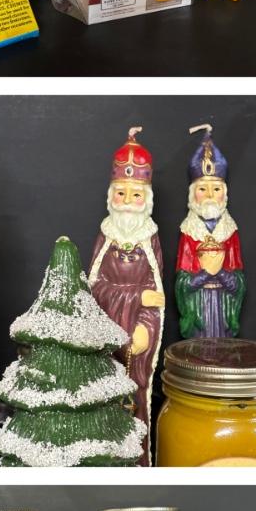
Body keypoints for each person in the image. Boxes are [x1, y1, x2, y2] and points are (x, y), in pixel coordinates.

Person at [90, 128, 165, 465]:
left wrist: (146, 327)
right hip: (107, 334)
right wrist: (136, 297)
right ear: (112, 195)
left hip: (137, 337)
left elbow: (157, 295)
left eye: (136, 194)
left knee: (135, 398)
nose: (128, 201)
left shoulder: (150, 239)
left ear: (146, 198)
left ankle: (137, 462)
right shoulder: (105, 236)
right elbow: (94, 287)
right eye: (122, 193)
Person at [175, 123, 245, 340]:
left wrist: (220, 272)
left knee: (222, 347)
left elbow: (239, 284)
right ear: (193, 193)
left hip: (223, 305)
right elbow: (182, 283)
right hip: (199, 306)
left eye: (216, 189)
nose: (209, 196)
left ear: (224, 193)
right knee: (198, 347)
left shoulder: (230, 230)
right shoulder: (189, 231)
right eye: (202, 189)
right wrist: (205, 273)